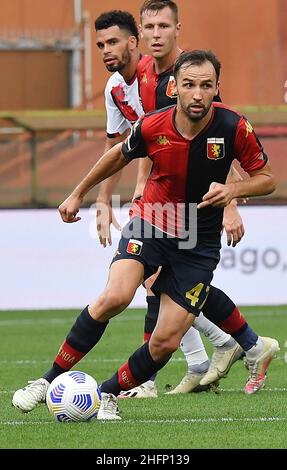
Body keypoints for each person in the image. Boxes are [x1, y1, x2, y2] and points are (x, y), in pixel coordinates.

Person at [12, 50, 279, 420]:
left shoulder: (234, 127)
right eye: (189, 85)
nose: (197, 94)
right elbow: (118, 155)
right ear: (175, 87)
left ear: (217, 87)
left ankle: (107, 394)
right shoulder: (154, 125)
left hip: (197, 243)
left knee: (166, 341)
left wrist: (234, 191)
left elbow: (267, 179)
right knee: (116, 296)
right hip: (152, 221)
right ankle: (46, 381)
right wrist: (77, 193)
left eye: (206, 86)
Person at [95, 3, 244, 397]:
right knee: (155, 282)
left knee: (163, 283)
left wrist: (230, 202)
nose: (108, 50)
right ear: (141, 33)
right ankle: (227, 347)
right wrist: (104, 199)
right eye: (150, 27)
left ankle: (231, 345)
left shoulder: (189, 77)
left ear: (133, 43)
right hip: (156, 195)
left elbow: (216, 139)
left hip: (191, 202)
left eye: (163, 26)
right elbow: (124, 145)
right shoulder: (120, 86)